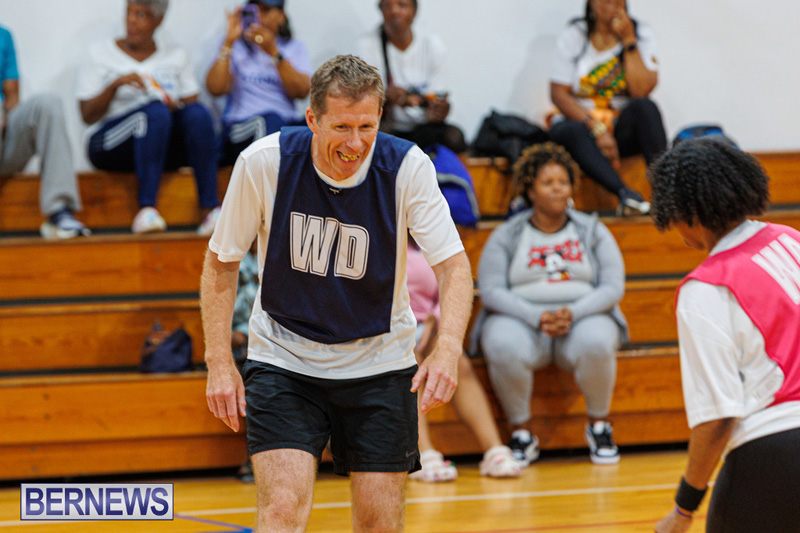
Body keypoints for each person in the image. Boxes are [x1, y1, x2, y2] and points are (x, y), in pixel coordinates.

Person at [201, 55, 473, 531]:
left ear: (381, 118)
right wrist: (219, 361)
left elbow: (454, 266)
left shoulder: (406, 167)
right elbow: (221, 262)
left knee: (379, 522)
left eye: (367, 126)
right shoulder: (264, 162)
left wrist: (448, 348)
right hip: (284, 358)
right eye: (341, 127)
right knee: (281, 509)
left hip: (379, 362)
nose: (355, 143)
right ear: (312, 119)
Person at [649, 139, 800, 533]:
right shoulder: (790, 240)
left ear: (685, 212)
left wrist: (684, 508)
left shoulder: (705, 287)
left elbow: (718, 417)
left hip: (776, 448)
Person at [476, 142, 628, 466]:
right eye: (547, 182)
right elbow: (491, 290)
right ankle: (521, 433)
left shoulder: (593, 230)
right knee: (500, 341)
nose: (557, 188)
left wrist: (573, 312)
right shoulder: (507, 234)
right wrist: (536, 316)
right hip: (523, 320)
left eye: (563, 181)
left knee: (598, 340)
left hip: (582, 316)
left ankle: (599, 426)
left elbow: (613, 287)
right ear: (530, 190)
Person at [77, 0, 220, 235]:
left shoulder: (175, 55)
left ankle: (210, 210)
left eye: (141, 15)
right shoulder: (100, 53)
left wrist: (173, 106)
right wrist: (115, 85)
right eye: (129, 13)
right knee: (154, 114)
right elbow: (87, 114)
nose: (131, 21)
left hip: (160, 141)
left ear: (158, 20)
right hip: (110, 144)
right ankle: (146, 209)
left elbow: (192, 107)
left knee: (198, 114)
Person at [406, 238, 521, 482]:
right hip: (391, 329)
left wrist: (435, 319)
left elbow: (450, 283)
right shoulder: (380, 237)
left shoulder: (429, 238)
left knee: (458, 362)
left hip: (427, 325)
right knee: (411, 363)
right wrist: (406, 325)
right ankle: (423, 454)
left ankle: (494, 451)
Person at [548, 0, 667, 216]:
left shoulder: (640, 33)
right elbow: (558, 94)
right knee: (568, 130)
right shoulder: (575, 34)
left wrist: (629, 40)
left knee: (646, 108)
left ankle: (668, 192)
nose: (610, 3)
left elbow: (641, 91)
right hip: (583, 129)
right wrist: (596, 127)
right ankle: (625, 194)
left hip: (621, 128)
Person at [0, 26, 89, 239]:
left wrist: (3, 115)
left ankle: (60, 211)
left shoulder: (3, 36)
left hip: (4, 141)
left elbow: (12, 97)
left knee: (49, 104)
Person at [206, 0, 312, 167]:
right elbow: (215, 88)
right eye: (254, 10)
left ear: (281, 16)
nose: (259, 16)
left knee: (317, 124)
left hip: (285, 123)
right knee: (269, 123)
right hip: (242, 126)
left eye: (266, 10)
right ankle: (268, 183)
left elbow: (302, 91)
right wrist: (228, 42)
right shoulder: (235, 46)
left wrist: (273, 52)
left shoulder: (294, 48)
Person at [357, 0, 466, 154]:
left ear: (414, 11)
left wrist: (438, 110)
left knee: (455, 137)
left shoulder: (432, 45)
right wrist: (386, 97)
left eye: (401, 5)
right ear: (381, 10)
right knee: (375, 137)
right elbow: (362, 102)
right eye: (388, 5)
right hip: (391, 126)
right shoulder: (368, 45)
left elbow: (437, 95)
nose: (394, 11)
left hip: (423, 126)